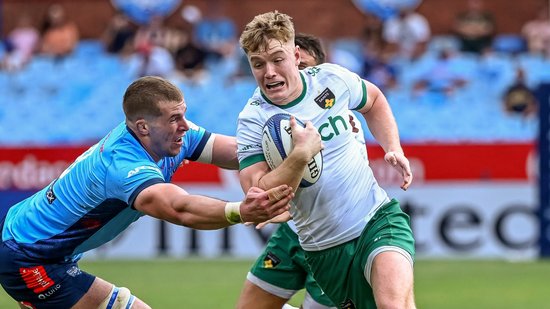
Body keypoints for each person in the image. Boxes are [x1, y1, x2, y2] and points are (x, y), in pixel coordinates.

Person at [0, 76, 293, 309]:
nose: (184, 127)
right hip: (30, 257)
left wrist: (291, 152)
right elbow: (179, 208)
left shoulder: (168, 136)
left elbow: (239, 152)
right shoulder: (122, 164)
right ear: (143, 127)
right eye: (174, 119)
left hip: (35, 243)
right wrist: (240, 211)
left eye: (184, 115)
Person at [236, 11, 415, 309]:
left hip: (377, 218)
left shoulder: (331, 79)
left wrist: (393, 147)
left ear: (295, 55)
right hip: (324, 249)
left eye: (277, 60)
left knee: (392, 304)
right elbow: (256, 191)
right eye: (258, 64)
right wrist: (301, 155)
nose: (269, 72)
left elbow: (374, 99)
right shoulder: (252, 119)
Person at [237, 33, 340, 309]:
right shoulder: (267, 120)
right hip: (291, 234)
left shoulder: (340, 120)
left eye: (305, 69)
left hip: (334, 238)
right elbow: (252, 173)